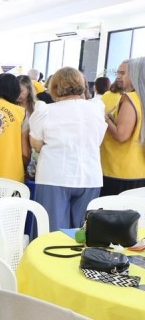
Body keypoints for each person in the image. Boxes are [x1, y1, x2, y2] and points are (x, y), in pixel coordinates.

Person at [29, 67, 107, 231]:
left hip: (54, 175)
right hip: (90, 176)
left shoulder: (45, 110)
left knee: (52, 233)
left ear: (54, 86)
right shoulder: (96, 108)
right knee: (83, 233)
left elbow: (36, 144)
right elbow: (97, 140)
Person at [100, 57, 145, 195]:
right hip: (138, 169)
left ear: (134, 75)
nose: (120, 77)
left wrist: (105, 118)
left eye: (124, 73)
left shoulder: (130, 98)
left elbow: (121, 135)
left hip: (119, 170)